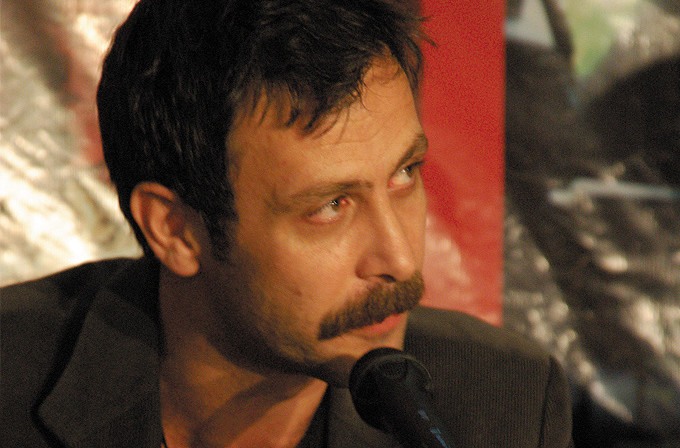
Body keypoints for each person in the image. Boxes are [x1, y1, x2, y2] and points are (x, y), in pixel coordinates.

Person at [0, 0, 574, 446]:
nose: (399, 260)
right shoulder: (12, 382)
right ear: (174, 229)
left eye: (405, 174)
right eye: (330, 206)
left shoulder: (506, 405)